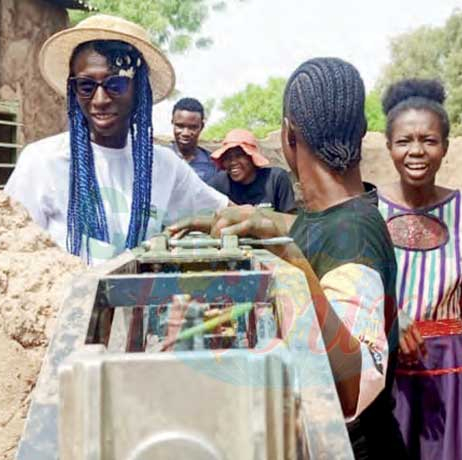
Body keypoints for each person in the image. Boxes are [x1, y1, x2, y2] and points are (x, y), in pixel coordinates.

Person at [169, 57, 408, 459]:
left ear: (288, 135)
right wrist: (256, 219)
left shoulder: (353, 237)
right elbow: (307, 228)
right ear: (362, 132)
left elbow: (354, 386)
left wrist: (297, 272)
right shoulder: (341, 213)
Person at [3, 15, 228, 265]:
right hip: (63, 302)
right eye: (86, 86)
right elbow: (10, 249)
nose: (100, 100)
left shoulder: (164, 166)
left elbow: (225, 213)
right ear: (73, 91)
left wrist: (271, 223)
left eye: (116, 84)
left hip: (137, 299)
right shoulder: (42, 161)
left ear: (139, 88)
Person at [375, 79, 462, 458]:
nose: (416, 151)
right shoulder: (368, 213)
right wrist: (390, 317)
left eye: (428, 140)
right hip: (387, 377)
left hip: (454, 376)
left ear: (445, 147)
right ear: (389, 148)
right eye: (404, 141)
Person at [207, 128, 297, 213]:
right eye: (228, 158)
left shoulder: (275, 179)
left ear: (252, 158)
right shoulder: (219, 183)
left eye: (239, 156)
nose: (233, 162)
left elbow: (289, 219)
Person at [171, 97, 218, 183]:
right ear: (172, 122)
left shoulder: (212, 164)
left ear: (202, 126)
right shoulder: (160, 158)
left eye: (193, 127)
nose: (185, 133)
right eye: (180, 126)